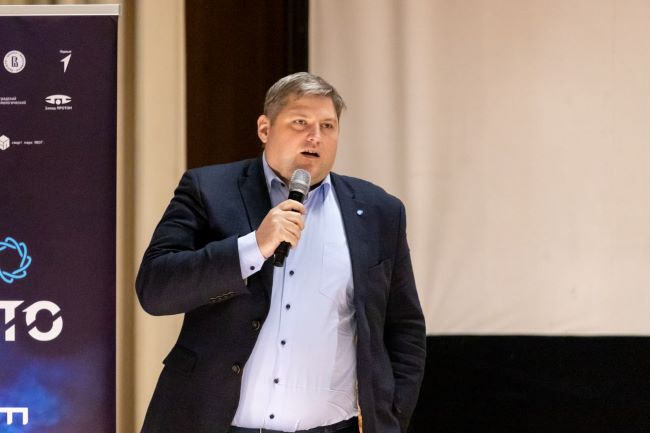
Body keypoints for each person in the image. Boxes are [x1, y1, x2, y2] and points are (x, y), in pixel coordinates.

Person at [136, 72, 426, 433]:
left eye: (327, 126)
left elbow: (404, 327)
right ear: (265, 129)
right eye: (300, 123)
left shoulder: (379, 211)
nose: (315, 136)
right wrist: (252, 247)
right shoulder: (208, 190)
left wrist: (392, 415)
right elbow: (156, 289)